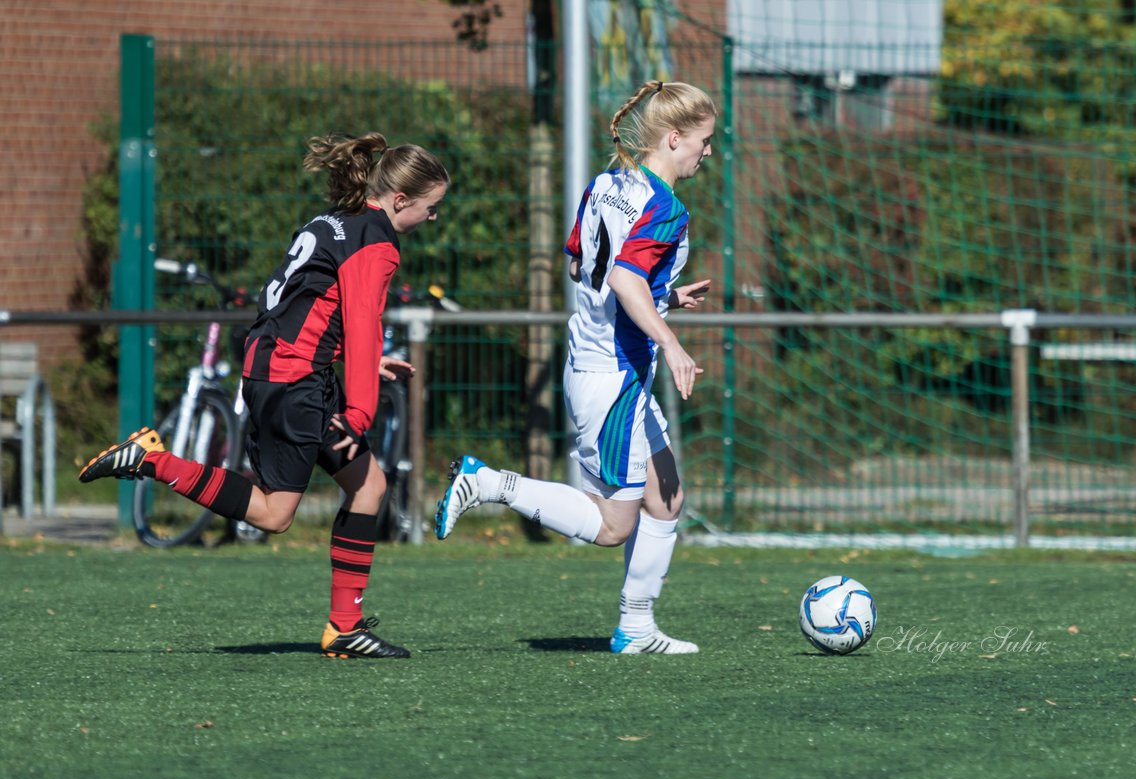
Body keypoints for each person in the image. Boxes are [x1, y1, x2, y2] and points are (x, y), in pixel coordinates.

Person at [79, 132, 449, 660]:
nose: (433, 219)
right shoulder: (377, 241)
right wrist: (360, 410)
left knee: (369, 487)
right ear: (400, 201)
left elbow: (310, 305)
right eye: (431, 209)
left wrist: (352, 360)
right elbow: (364, 322)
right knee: (276, 514)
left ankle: (344, 627)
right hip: (295, 382)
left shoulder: (333, 219)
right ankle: (155, 462)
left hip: (284, 372)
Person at [434, 80, 716, 655]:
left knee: (667, 499)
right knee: (615, 526)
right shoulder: (666, 207)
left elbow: (580, 267)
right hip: (612, 376)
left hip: (604, 366)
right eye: (705, 142)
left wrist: (666, 296)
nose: (707, 154)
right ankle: (488, 482)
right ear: (674, 137)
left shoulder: (606, 183)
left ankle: (636, 627)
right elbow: (622, 278)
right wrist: (673, 341)